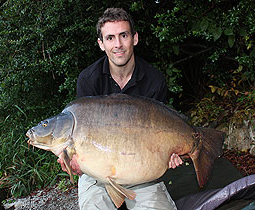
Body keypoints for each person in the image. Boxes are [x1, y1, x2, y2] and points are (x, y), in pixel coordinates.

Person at [76, 8, 182, 210]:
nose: (118, 45)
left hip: (141, 171)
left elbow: (159, 137)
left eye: (123, 35)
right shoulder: (88, 80)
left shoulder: (154, 80)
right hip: (98, 172)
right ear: (101, 44)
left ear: (134, 38)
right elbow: (83, 137)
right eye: (110, 38)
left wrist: (169, 153)